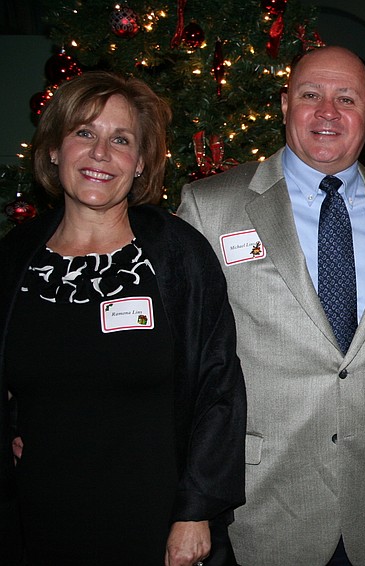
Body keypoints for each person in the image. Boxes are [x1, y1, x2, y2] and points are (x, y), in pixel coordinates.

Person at [178, 46, 365, 565]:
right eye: (311, 95)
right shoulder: (210, 207)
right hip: (262, 506)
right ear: (286, 104)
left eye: (347, 99)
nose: (327, 112)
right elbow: (181, 363)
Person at [0, 71, 246, 565]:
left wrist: (196, 512)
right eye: (84, 133)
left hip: (152, 521)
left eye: (121, 140)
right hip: (38, 516)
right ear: (53, 149)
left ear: (139, 164)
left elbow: (217, 388)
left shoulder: (178, 255)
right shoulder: (13, 260)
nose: (100, 153)